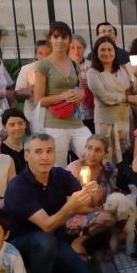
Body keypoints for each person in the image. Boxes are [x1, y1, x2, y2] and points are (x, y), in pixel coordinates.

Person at [3, 133, 97, 273]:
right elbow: (47, 225)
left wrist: (90, 194)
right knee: (44, 241)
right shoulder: (18, 187)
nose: (45, 157)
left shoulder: (60, 175)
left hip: (55, 239)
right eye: (38, 152)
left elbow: (83, 204)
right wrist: (71, 206)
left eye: (49, 151)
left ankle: (49, 270)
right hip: (21, 245)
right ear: (26, 155)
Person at [34, 21, 92, 167]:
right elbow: (38, 100)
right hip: (53, 123)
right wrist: (62, 96)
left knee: (93, 156)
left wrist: (81, 94)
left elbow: (79, 89)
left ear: (69, 39)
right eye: (56, 36)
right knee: (57, 168)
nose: (60, 41)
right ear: (50, 39)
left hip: (76, 121)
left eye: (64, 37)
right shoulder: (43, 65)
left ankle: (86, 188)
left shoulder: (74, 63)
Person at [87, 36, 137, 163]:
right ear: (96, 52)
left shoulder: (123, 69)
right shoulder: (93, 73)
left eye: (110, 49)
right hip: (107, 122)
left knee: (126, 156)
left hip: (124, 119)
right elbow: (104, 96)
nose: (107, 53)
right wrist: (127, 98)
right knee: (107, 157)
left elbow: (135, 91)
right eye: (103, 50)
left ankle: (122, 182)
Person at [65, 135, 118, 259]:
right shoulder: (74, 170)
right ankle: (78, 241)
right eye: (89, 148)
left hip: (98, 212)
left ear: (105, 153)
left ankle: (108, 242)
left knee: (125, 210)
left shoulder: (108, 169)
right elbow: (71, 208)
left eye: (98, 150)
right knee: (108, 218)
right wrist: (99, 210)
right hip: (73, 216)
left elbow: (113, 193)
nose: (92, 154)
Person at [15, 40, 52, 121]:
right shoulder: (27, 69)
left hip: (53, 113)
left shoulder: (56, 70)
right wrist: (31, 90)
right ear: (36, 54)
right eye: (40, 53)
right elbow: (17, 92)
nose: (44, 57)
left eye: (48, 54)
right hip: (33, 114)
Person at [69, 34, 96, 133]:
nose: (76, 51)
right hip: (70, 115)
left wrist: (89, 86)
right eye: (72, 48)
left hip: (90, 113)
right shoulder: (64, 67)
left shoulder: (92, 66)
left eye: (79, 47)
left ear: (84, 48)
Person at [1, 108, 30, 174]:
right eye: (12, 125)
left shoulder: (31, 146)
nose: (17, 128)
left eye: (20, 123)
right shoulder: (0, 150)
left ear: (25, 124)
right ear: (4, 127)